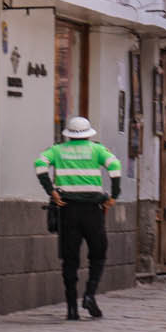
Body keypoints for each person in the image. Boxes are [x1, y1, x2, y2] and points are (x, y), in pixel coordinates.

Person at [35, 115, 123, 319]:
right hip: (93, 209)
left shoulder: (57, 150)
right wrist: (114, 196)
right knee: (98, 254)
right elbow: (115, 167)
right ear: (88, 133)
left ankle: (71, 308)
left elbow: (40, 164)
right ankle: (90, 295)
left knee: (70, 258)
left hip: (67, 208)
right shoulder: (97, 149)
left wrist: (51, 191)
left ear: (69, 134)